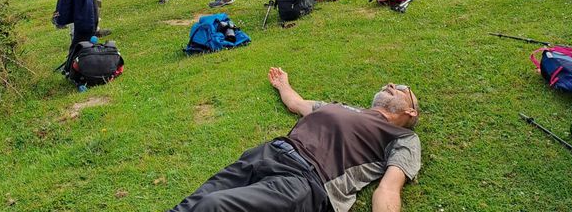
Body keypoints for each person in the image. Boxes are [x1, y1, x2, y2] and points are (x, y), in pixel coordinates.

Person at [169, 67, 421, 212]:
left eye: (400, 88)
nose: (390, 84)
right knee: (192, 204)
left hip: (306, 181)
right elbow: (297, 104)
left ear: (410, 111)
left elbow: (389, 187)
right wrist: (283, 84)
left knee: (214, 206)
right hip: (266, 155)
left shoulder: (403, 137)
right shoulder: (342, 108)